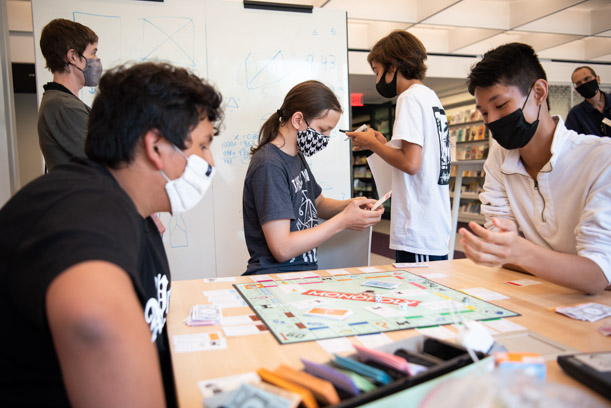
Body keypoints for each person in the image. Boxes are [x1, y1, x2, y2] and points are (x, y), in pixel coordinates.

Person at [0, 62, 223, 406]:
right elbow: (94, 318)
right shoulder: (85, 208)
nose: (209, 161)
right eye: (204, 146)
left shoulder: (134, 210)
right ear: (157, 146)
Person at [459, 42, 610, 295]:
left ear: (539, 93)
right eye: (484, 113)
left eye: (501, 106)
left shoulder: (601, 158)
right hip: (544, 296)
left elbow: (596, 275)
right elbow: (501, 247)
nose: (493, 121)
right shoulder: (499, 157)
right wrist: (521, 254)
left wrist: (520, 251)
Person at [242, 80, 383, 275]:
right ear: (298, 120)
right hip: (275, 277)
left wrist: (352, 205)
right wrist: (343, 220)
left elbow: (317, 203)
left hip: (301, 274)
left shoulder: (295, 156)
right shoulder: (269, 164)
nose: (325, 138)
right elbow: (282, 248)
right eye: (323, 130)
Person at [347, 30, 452, 263]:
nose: (377, 80)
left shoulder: (409, 98)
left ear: (392, 67)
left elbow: (411, 164)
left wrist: (371, 143)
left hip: (418, 227)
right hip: (432, 223)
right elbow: (418, 158)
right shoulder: (429, 97)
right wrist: (382, 145)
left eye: (377, 72)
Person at [38, 18, 103, 170]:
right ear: (73, 57)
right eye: (93, 53)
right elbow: (102, 163)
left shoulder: (60, 102)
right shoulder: (64, 106)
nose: (97, 60)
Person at [565, 66, 611, 137]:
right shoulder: (575, 114)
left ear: (598, 79)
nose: (584, 84)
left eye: (587, 79)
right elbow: (571, 142)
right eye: (579, 83)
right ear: (576, 89)